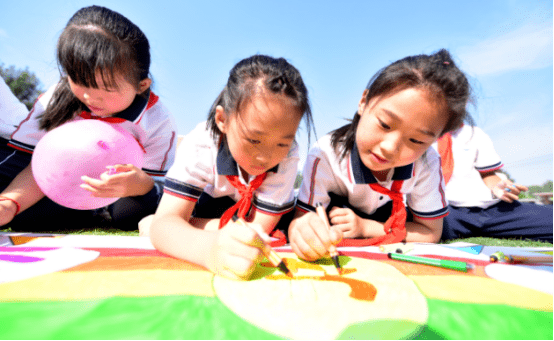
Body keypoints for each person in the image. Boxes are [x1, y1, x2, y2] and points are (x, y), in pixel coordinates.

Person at [0, 5, 177, 231]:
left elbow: (160, 185)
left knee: (128, 216)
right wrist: (9, 203)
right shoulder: (56, 99)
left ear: (141, 85)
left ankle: (98, 211)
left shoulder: (158, 121)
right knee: (26, 216)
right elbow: (33, 162)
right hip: (63, 183)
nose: (89, 97)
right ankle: (89, 212)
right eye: (79, 82)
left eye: (108, 89)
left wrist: (139, 185)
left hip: (127, 193)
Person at [289, 49, 472, 262]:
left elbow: (430, 232)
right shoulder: (326, 154)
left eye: (416, 141)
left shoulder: (427, 162)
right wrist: (302, 231)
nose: (390, 148)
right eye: (385, 124)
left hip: (393, 217)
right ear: (363, 102)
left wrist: (367, 227)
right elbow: (303, 220)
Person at [148, 54, 313, 280]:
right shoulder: (201, 144)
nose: (265, 158)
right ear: (222, 120)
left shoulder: (289, 154)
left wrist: (183, 227)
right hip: (208, 204)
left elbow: (258, 230)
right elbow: (164, 225)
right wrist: (208, 249)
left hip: (245, 212)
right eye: (254, 140)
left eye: (283, 143)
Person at [434, 125, 553, 243]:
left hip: (495, 211)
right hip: (447, 213)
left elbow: (488, 175)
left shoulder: (473, 133)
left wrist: (499, 186)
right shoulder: (423, 133)